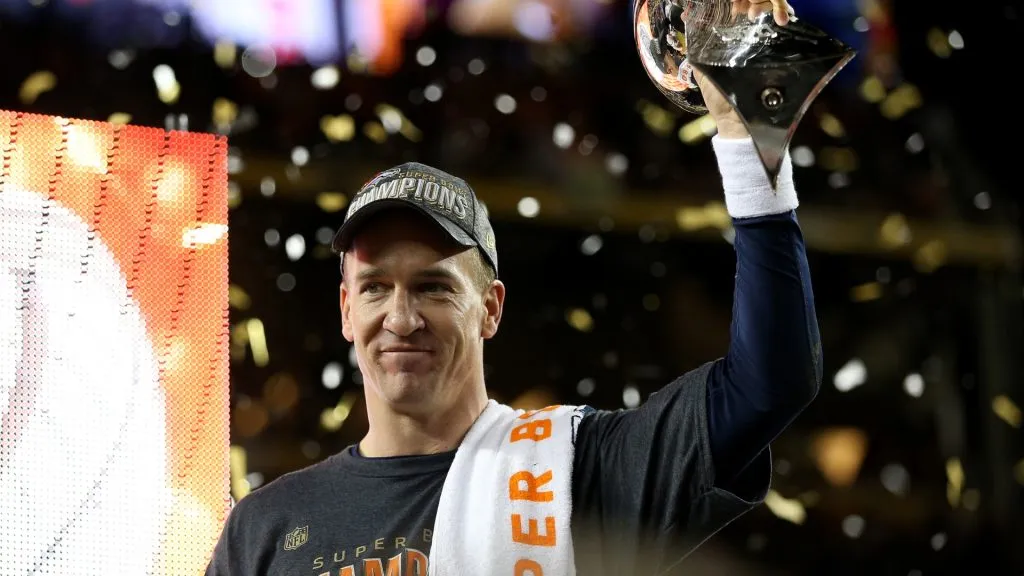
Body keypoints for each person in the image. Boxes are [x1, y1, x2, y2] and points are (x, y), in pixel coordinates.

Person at [206, 1, 820, 573]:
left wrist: (750, 149)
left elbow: (773, 380)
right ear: (345, 309)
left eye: (434, 288)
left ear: (490, 308)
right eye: (374, 287)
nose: (400, 316)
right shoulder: (263, 528)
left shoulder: (580, 470)